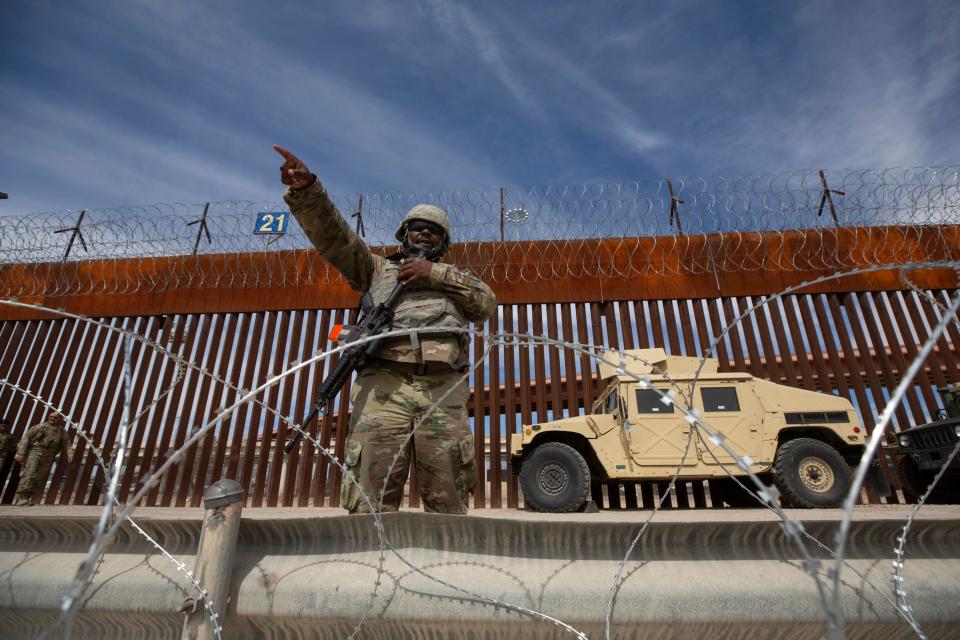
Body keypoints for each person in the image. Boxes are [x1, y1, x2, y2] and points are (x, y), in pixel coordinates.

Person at [275, 145, 497, 514]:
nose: (424, 236)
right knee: (370, 494)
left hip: (442, 391)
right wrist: (307, 191)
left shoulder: (457, 279)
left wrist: (436, 274)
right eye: (417, 229)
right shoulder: (376, 270)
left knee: (448, 494)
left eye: (433, 232)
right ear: (404, 234)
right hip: (383, 388)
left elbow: (485, 305)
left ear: (444, 243)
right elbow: (334, 238)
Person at [14, 412, 72, 506]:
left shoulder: (61, 431)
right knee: (29, 474)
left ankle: (27, 498)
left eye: (55, 417)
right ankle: (22, 498)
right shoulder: (40, 427)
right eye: (51, 417)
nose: (52, 418)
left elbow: (66, 443)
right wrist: (21, 453)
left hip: (48, 456)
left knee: (39, 477)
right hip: (35, 452)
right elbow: (26, 438)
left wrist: (70, 453)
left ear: (59, 419)